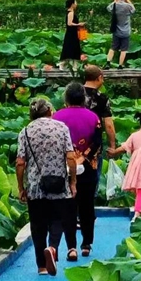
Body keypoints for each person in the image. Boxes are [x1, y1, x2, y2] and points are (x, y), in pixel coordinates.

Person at [16, 98, 78, 276]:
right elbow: (71, 157)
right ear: (49, 110)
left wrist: (21, 187)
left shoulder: (25, 132)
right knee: (57, 219)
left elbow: (20, 162)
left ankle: (41, 266)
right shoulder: (61, 128)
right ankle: (53, 247)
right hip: (59, 184)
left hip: (36, 186)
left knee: (37, 225)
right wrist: (72, 182)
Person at [53, 82, 102, 258]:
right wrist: (83, 157)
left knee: (68, 207)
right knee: (87, 206)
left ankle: (71, 247)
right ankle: (86, 244)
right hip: (88, 168)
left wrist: (70, 158)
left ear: (66, 98)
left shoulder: (56, 117)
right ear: (83, 98)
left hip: (64, 168)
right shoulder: (94, 117)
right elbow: (97, 143)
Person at [84, 65, 116, 189]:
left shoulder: (73, 94)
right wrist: (112, 146)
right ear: (99, 78)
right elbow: (108, 125)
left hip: (73, 144)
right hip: (94, 146)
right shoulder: (102, 98)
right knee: (92, 182)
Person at [104, 0, 135, 70]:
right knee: (124, 49)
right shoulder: (127, 6)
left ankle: (108, 63)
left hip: (116, 31)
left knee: (113, 47)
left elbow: (108, 8)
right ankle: (120, 65)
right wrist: (128, 0)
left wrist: (115, 1)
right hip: (126, 31)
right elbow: (133, 10)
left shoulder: (115, 5)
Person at [59, 0, 85, 71]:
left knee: (74, 49)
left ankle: (75, 66)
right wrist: (79, 24)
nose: (76, 4)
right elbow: (69, 23)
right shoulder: (71, 13)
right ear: (72, 4)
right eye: (75, 3)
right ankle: (62, 64)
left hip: (73, 33)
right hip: (71, 34)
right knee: (69, 48)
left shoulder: (71, 12)